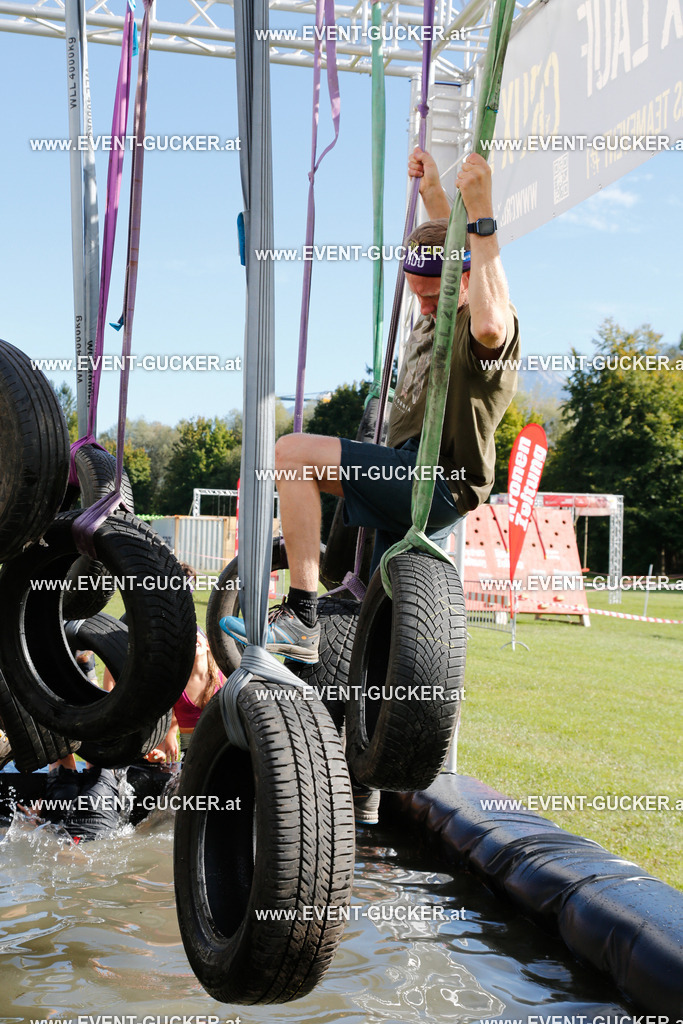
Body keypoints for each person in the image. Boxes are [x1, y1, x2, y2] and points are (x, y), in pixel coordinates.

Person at [220, 147, 520, 667]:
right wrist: (431, 191)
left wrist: (484, 213)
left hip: (432, 480)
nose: (424, 307)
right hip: (407, 471)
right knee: (379, 636)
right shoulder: (445, 291)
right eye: (418, 294)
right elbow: (448, 239)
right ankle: (357, 722)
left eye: (433, 296)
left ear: (467, 281)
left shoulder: (486, 325)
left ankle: (300, 617)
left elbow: (490, 319)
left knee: (290, 454)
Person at [157, 627, 225, 761]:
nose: (192, 640)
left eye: (195, 635)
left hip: (221, 746)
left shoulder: (223, 677)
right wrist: (168, 738)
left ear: (207, 645)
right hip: (191, 752)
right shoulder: (175, 684)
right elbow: (165, 719)